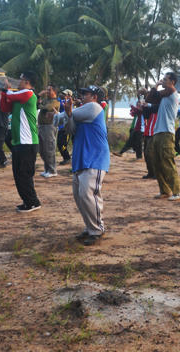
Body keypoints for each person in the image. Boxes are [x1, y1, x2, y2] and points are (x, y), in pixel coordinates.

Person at [56, 86, 110, 246]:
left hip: (95, 158)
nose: (82, 96)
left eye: (85, 94)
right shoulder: (83, 111)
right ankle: (90, 227)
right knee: (81, 196)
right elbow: (71, 129)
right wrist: (66, 114)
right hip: (82, 158)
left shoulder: (93, 107)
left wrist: (62, 114)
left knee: (88, 194)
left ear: (94, 97)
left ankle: (97, 229)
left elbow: (59, 119)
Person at [1, 71, 41, 213]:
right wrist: (3, 91)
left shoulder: (29, 94)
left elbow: (10, 95)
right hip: (19, 142)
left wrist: (6, 89)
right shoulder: (19, 98)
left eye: (20, 79)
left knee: (24, 174)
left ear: (27, 82)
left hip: (28, 142)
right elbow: (5, 107)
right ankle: (27, 201)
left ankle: (33, 202)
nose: (18, 81)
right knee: (18, 174)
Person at [142, 72, 180, 200]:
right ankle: (165, 190)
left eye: (165, 80)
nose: (163, 81)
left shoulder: (171, 91)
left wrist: (155, 86)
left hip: (167, 132)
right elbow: (148, 99)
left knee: (167, 162)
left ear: (172, 82)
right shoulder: (165, 95)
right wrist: (155, 88)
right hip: (158, 132)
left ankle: (178, 191)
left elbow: (152, 95)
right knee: (157, 163)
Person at [37, 85, 60, 178]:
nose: (47, 91)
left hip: (49, 126)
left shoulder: (55, 101)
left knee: (49, 148)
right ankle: (47, 168)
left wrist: (40, 104)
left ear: (55, 91)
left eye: (49, 90)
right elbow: (38, 106)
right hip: (41, 126)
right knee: (42, 149)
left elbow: (44, 109)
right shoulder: (46, 101)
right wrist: (38, 97)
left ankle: (52, 170)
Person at [141, 102, 159, 180]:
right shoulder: (152, 107)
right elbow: (145, 115)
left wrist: (145, 106)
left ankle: (156, 172)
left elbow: (153, 109)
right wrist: (145, 107)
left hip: (154, 132)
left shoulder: (159, 106)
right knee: (146, 153)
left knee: (149, 153)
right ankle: (151, 172)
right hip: (148, 132)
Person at [57, 89, 73, 166]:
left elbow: (59, 105)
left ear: (69, 96)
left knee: (62, 143)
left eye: (65, 94)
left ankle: (67, 157)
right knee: (59, 143)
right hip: (60, 127)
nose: (63, 95)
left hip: (66, 127)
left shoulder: (69, 103)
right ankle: (66, 157)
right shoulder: (60, 100)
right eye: (63, 93)